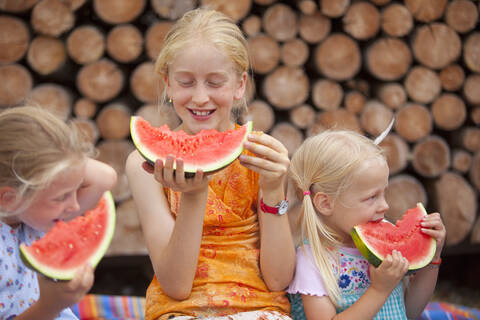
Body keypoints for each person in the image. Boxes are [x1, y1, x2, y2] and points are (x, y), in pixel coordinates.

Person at [125, 8, 295, 320]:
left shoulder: (260, 156)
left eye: (215, 82)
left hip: (260, 309)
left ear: (240, 84)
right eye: (186, 82)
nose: (201, 98)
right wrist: (193, 195)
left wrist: (273, 190)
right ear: (167, 84)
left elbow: (279, 279)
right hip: (180, 310)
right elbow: (176, 285)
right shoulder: (143, 165)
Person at [286, 130, 446, 320]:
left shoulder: (381, 246)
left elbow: (410, 311)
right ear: (325, 203)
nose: (385, 206)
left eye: (384, 193)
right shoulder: (313, 260)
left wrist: (433, 258)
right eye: (371, 197)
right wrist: (378, 290)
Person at [0, 106, 117, 320]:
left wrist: (62, 155)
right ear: (9, 199)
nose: (74, 206)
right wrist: (50, 305)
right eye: (61, 197)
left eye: (77, 188)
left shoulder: (34, 217)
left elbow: (105, 177)